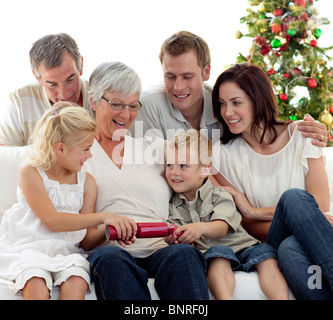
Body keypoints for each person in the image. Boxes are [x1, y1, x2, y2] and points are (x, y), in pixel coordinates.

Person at [84, 61, 209, 300]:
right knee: (113, 259)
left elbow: (202, 166)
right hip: (110, 252)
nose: (126, 114)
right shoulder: (80, 155)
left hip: (159, 247)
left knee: (184, 254)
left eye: (133, 106)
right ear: (94, 101)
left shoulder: (156, 149)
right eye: (117, 104)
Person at [211, 62, 333, 299]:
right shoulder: (222, 154)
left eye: (236, 102)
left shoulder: (301, 134)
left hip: (288, 243)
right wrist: (294, 221)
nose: (227, 112)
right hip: (270, 238)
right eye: (222, 104)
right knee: (294, 199)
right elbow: (247, 224)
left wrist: (255, 211)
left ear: (258, 101)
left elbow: (320, 202)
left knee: (290, 249)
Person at [0, 102, 136, 300]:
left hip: (67, 254)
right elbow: (52, 221)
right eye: (86, 149)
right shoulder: (30, 173)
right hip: (30, 249)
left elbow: (86, 240)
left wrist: (110, 231)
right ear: (61, 148)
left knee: (77, 278)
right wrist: (104, 217)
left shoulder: (87, 182)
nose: (90, 156)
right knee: (36, 280)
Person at [130, 30, 328, 146]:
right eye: (170, 76)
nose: (178, 87)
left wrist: (305, 131)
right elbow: (141, 163)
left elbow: (262, 130)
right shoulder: (148, 103)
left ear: (206, 72)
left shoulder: (224, 104)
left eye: (187, 77)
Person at [165, 129, 289, 300]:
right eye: (169, 165)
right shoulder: (173, 205)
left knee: (266, 258)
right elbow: (179, 235)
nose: (174, 172)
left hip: (244, 246)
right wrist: (177, 238)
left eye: (183, 166)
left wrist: (199, 228)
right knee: (218, 256)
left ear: (204, 170)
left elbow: (222, 227)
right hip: (213, 252)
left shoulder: (219, 194)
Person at [0, 33, 93, 146]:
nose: (63, 94)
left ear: (81, 66)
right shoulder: (19, 100)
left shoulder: (102, 96)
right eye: (52, 84)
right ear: (37, 77)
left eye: (70, 80)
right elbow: (5, 156)